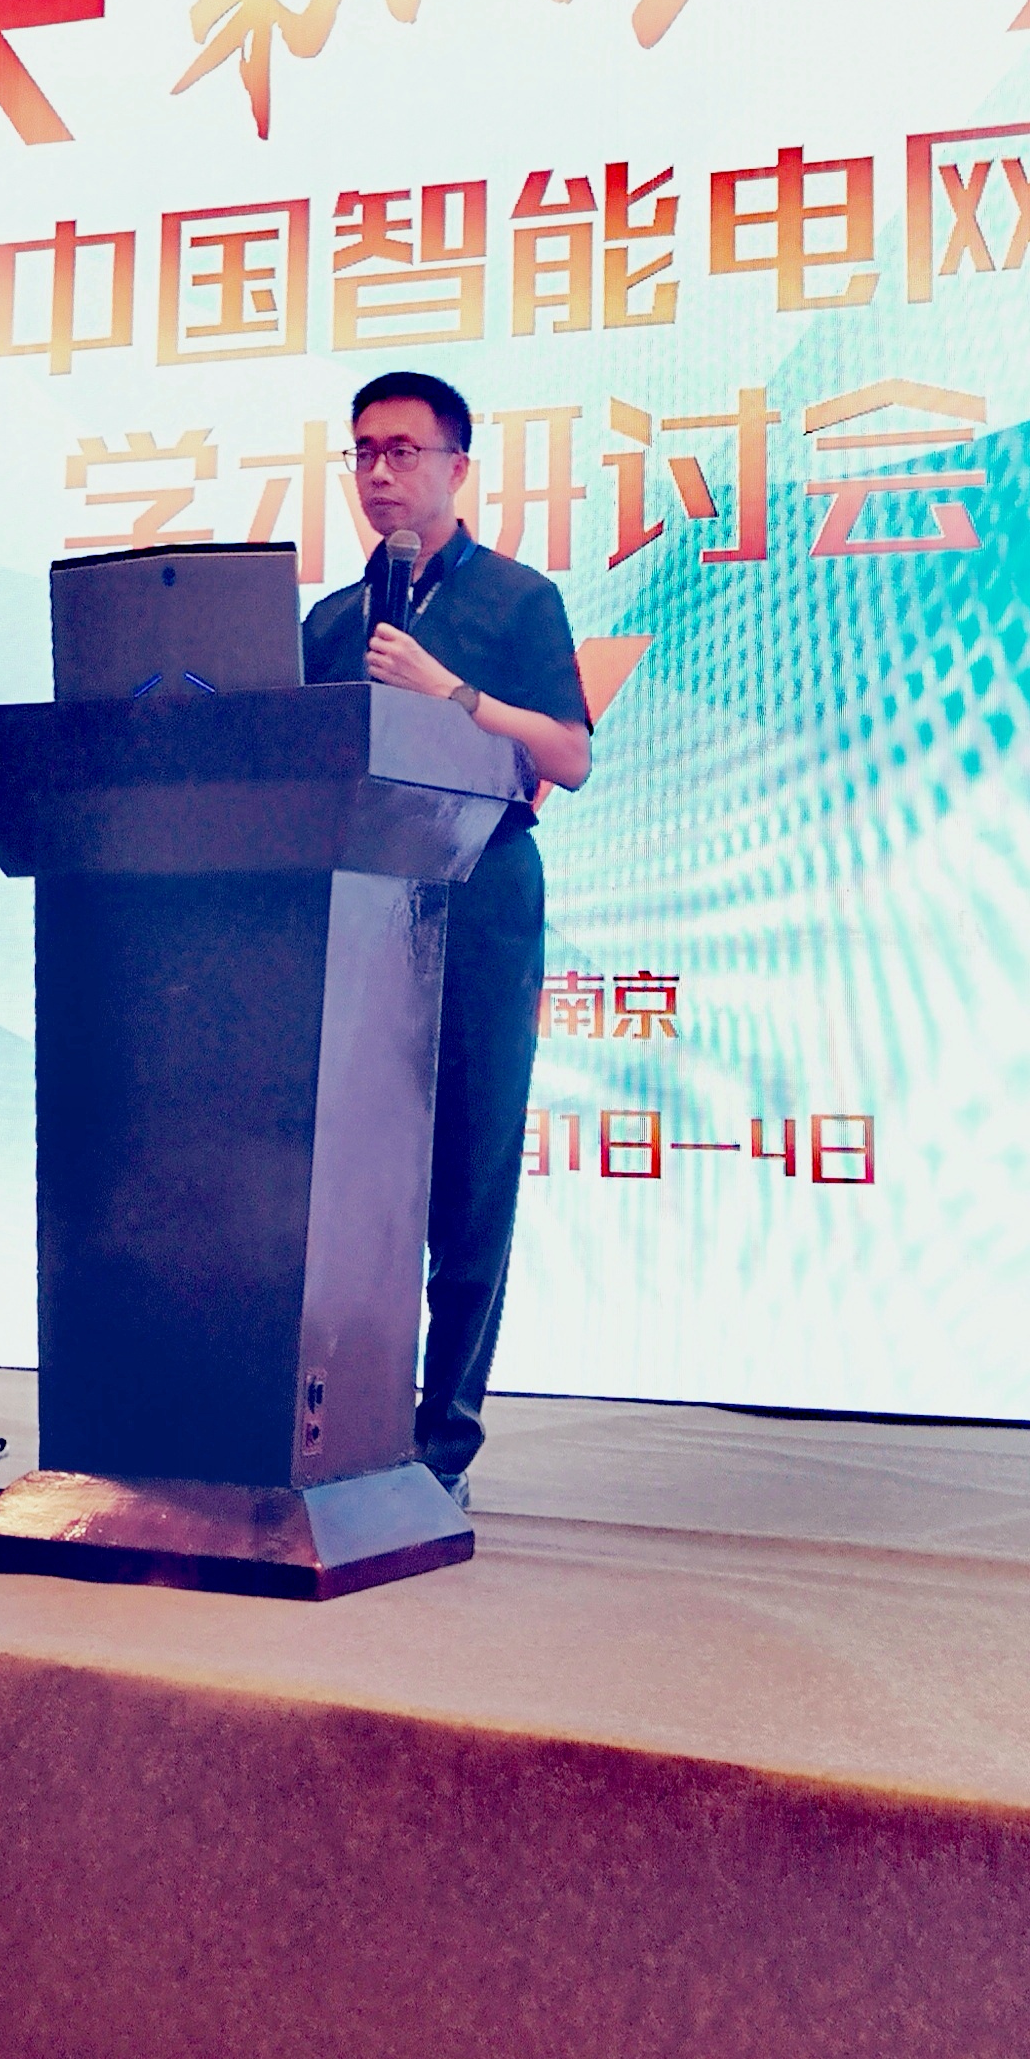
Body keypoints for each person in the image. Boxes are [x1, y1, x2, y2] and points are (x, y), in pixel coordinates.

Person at [302, 371, 591, 1508]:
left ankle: (443, 1446)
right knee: (348, 1182)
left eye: (404, 451)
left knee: (469, 1176)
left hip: (479, 899)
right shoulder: (332, 620)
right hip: (356, 904)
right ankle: (340, 1422)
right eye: (364, 452)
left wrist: (451, 691)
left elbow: (568, 755)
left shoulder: (518, 599)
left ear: (457, 468)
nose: (380, 473)